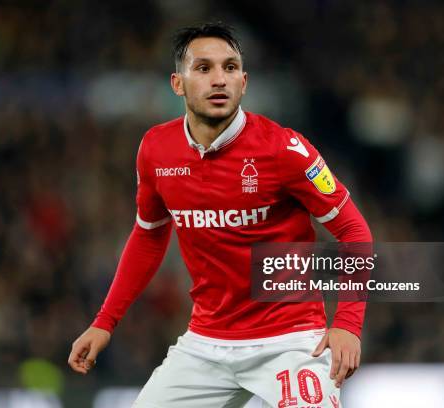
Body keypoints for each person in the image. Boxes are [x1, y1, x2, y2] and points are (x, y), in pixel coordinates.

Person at [68, 21, 371, 408]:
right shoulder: (156, 150)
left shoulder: (284, 150)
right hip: (206, 344)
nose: (219, 80)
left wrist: (347, 324)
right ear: (177, 83)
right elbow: (148, 234)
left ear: (244, 82)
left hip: (292, 343)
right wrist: (104, 321)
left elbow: (354, 230)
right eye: (204, 68)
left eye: (229, 68)